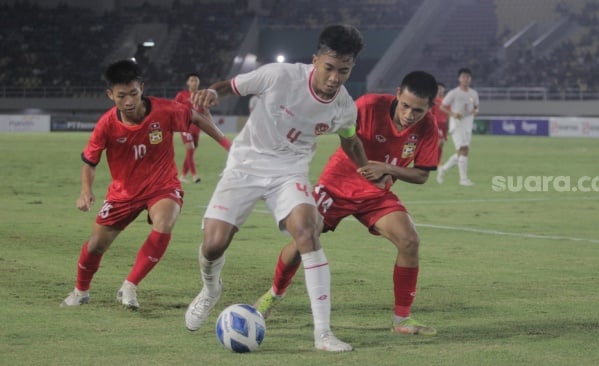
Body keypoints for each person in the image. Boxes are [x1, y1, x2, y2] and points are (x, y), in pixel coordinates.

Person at [184, 25, 369, 352]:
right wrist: (212, 94)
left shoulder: (344, 107)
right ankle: (210, 290)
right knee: (214, 245)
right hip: (245, 164)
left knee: (308, 232)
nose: (334, 78)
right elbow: (229, 87)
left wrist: (365, 168)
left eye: (344, 70)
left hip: (290, 170)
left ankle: (323, 334)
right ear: (315, 60)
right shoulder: (279, 76)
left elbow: (350, 139)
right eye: (329, 68)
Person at [253, 71, 440, 337]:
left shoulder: (428, 126)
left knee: (410, 241)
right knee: (304, 238)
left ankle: (402, 319)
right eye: (406, 105)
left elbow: (422, 175)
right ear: (398, 94)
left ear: (430, 108)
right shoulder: (368, 106)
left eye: (418, 111)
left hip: (376, 193)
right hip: (337, 185)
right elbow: (328, 125)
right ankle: (272, 296)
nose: (409, 115)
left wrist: (386, 169)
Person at [60, 60, 231, 310]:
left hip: (161, 186)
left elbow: (195, 117)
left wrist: (229, 147)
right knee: (96, 245)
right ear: (110, 95)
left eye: (133, 93)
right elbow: (89, 163)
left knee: (165, 221)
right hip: (123, 193)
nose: (128, 101)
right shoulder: (106, 125)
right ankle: (81, 291)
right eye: (121, 96)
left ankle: (130, 286)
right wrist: (85, 192)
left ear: (141, 87)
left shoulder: (164, 110)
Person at [436, 68, 479, 186]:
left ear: (470, 79)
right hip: (457, 123)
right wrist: (453, 114)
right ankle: (463, 179)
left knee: (463, 151)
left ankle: (443, 169)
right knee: (463, 149)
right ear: (459, 79)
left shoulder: (473, 93)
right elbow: (442, 106)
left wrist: (475, 111)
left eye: (468, 77)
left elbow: (476, 106)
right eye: (463, 77)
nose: (466, 79)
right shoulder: (453, 93)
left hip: (468, 123)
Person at [175, 73, 204, 183]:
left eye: (196, 80)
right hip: (185, 126)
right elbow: (174, 108)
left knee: (190, 152)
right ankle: (195, 175)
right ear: (188, 82)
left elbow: (204, 111)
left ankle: (182, 176)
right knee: (190, 148)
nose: (194, 82)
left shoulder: (201, 96)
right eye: (192, 80)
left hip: (197, 127)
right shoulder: (181, 95)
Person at [430, 82, 448, 159]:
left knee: (442, 143)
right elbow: (430, 113)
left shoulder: (446, 101)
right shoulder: (433, 100)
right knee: (439, 142)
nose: (440, 90)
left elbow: (448, 114)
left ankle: (437, 161)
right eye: (438, 89)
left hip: (443, 125)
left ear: (444, 90)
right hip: (436, 124)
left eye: (441, 89)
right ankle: (432, 158)